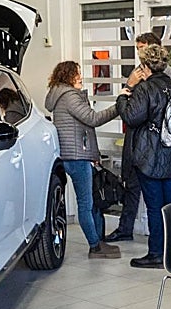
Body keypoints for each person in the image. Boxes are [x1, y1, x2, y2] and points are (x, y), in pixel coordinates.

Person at [115, 44, 171, 268]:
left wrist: (125, 93)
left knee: (155, 207)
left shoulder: (146, 89)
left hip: (150, 156)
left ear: (145, 66)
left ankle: (156, 253)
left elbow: (131, 117)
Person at [45, 60, 122, 260]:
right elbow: (92, 119)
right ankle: (95, 246)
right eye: (77, 73)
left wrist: (93, 155)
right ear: (68, 75)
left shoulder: (59, 94)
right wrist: (118, 106)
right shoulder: (69, 96)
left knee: (88, 202)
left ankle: (98, 242)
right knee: (86, 204)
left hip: (71, 155)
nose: (81, 77)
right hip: (77, 156)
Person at [106, 32, 171, 244]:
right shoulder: (143, 73)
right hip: (152, 143)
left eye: (142, 48)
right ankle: (127, 229)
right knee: (133, 185)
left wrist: (127, 90)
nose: (138, 52)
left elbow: (134, 113)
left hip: (151, 144)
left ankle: (159, 247)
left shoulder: (162, 78)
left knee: (156, 201)